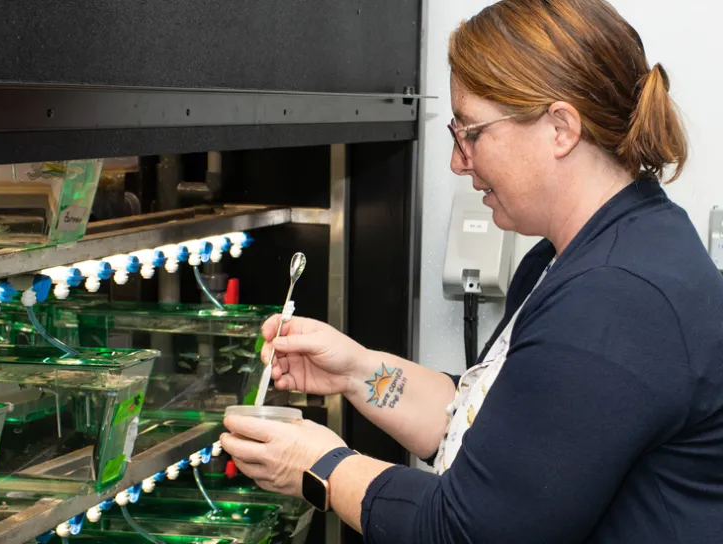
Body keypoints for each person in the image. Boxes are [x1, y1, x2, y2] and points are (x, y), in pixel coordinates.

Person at [220, 0, 723, 542]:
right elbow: (496, 431)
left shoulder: (617, 297)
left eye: (472, 133)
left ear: (561, 128)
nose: (458, 162)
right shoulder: (572, 255)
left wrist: (319, 467)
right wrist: (357, 373)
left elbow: (467, 530)